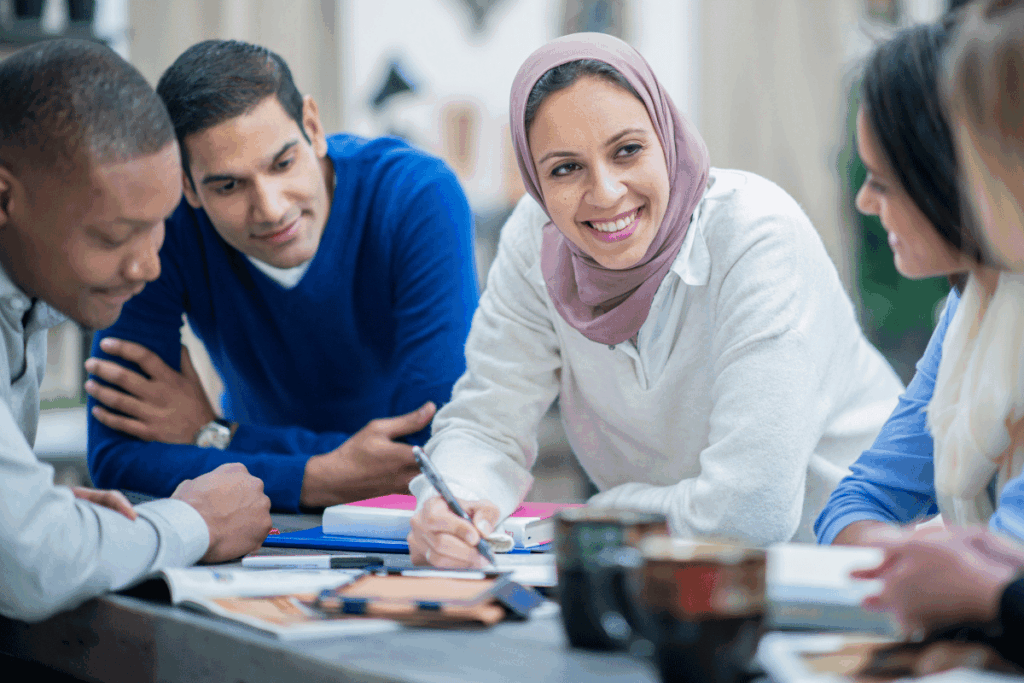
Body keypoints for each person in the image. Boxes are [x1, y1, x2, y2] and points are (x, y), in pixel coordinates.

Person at [405, 32, 904, 567]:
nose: (606, 192)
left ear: (666, 138)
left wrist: (604, 513)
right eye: (565, 168)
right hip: (669, 571)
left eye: (627, 151)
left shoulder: (756, 235)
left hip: (858, 569)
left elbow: (752, 512)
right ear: (535, 180)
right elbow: (487, 423)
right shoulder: (538, 238)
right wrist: (454, 503)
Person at [83, 40, 479, 511]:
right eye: (228, 185)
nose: (271, 209)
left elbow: (428, 453)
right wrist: (320, 477)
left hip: (406, 518)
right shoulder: (166, 229)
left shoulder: (415, 196)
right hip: (256, 526)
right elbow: (115, 456)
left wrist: (216, 437)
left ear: (312, 127)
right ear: (185, 185)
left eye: (283, 163)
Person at [0, 39, 272, 624]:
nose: (146, 267)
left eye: (157, 228)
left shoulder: (25, 296)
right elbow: (32, 568)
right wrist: (195, 522)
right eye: (113, 236)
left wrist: (43, 517)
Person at [814, 19, 1022, 547]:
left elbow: (1008, 561)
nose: (864, 203)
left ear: (954, 177)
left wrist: (942, 572)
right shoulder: (971, 307)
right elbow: (859, 499)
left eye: (882, 183)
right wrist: (924, 568)